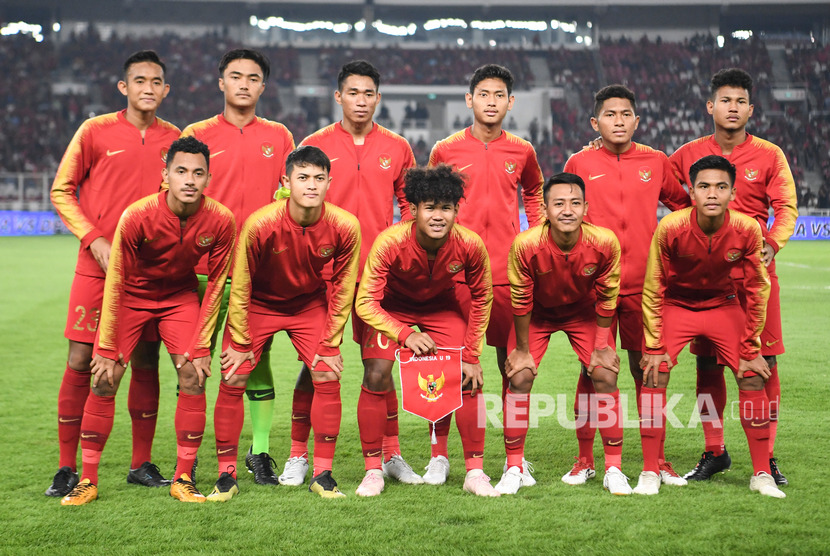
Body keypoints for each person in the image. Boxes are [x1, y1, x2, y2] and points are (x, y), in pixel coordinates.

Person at [59, 137, 236, 505]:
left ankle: (183, 477)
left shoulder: (221, 220)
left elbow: (218, 284)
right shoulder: (137, 215)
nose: (189, 180)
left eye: (198, 173)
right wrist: (106, 345)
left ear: (208, 179)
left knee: (193, 373)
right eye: (181, 171)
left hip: (179, 298)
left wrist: (202, 345)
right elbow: (117, 281)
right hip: (132, 297)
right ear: (166, 174)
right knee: (105, 377)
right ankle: (87, 480)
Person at [281, 60, 420, 487]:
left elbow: (411, 207)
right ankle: (298, 455)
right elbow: (295, 205)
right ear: (338, 96)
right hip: (326, 279)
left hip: (380, 280)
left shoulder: (397, 147)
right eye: (352, 93)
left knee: (380, 367)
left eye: (368, 94)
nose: (360, 101)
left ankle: (390, 455)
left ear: (378, 98)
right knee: (316, 365)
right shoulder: (316, 144)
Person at [48, 50, 180, 497]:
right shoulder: (95, 131)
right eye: (138, 80)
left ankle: (140, 463)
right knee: (82, 361)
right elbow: (62, 190)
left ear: (165, 90)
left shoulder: (174, 139)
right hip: (97, 269)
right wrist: (93, 237)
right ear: (123, 87)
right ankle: (67, 468)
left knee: (145, 361)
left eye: (156, 81)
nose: (148, 88)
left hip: (151, 276)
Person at [669, 68, 797, 486]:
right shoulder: (688, 154)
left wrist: (772, 243)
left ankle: (768, 454)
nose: (733, 108)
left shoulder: (770, 154)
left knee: (764, 364)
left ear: (750, 109)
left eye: (740, 101)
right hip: (706, 279)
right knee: (708, 364)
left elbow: (787, 208)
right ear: (711, 106)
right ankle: (715, 450)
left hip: (755, 277)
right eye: (725, 100)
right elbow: (658, 184)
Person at [213, 146, 359, 500]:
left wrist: (331, 342)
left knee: (326, 371)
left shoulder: (345, 225)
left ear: (329, 183)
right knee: (234, 374)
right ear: (287, 182)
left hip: (307, 305)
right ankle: (226, 475)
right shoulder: (261, 223)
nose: (311, 185)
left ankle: (323, 474)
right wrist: (242, 341)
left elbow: (342, 287)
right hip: (259, 304)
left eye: (319, 178)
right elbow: (242, 285)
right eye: (303, 177)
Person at [564, 84, 691, 487]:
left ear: (637, 120)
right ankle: (586, 459)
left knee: (647, 371)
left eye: (625, 115)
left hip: (644, 286)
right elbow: (563, 214)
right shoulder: (579, 161)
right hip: (593, 287)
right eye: (610, 115)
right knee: (594, 371)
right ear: (595, 122)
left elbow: (682, 207)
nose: (618, 121)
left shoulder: (655, 160)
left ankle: (659, 459)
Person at [635, 154, 784, 498]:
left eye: (721, 186)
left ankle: (762, 473)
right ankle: (649, 471)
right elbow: (654, 285)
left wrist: (750, 346)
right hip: (677, 305)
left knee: (750, 373)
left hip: (723, 305)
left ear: (733, 193)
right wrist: (655, 345)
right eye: (704, 186)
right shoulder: (671, 226)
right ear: (691, 192)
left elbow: (758, 288)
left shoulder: (748, 229)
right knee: (654, 372)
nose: (712, 193)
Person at [179, 48, 295, 485]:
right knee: (193, 364)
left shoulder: (280, 136)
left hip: (257, 272)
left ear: (262, 87)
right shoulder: (197, 133)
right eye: (235, 76)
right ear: (220, 82)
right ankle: (186, 457)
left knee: (254, 362)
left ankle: (259, 451)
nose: (243, 84)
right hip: (204, 271)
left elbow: (289, 198)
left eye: (252, 78)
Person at [428, 64, 544, 485]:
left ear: (510, 102)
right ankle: (439, 456)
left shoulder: (523, 151)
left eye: (499, 95)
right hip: (457, 276)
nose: (491, 101)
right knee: (449, 368)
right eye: (484, 94)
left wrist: (534, 236)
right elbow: (431, 203)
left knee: (514, 367)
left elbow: (535, 193)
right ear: (469, 100)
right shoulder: (445, 149)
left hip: (509, 275)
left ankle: (515, 458)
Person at [354, 165, 498, 497]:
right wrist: (405, 334)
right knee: (376, 372)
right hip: (392, 308)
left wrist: (472, 357)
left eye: (445, 208)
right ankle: (374, 470)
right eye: (430, 207)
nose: (438, 215)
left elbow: (482, 298)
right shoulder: (390, 242)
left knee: (468, 376)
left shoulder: (470, 245)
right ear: (414, 209)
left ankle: (473, 473)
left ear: (456, 211)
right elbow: (365, 302)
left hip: (441, 308)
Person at [499, 172, 630, 495]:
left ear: (586, 207)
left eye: (574, 203)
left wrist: (601, 345)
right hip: (538, 314)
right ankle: (514, 466)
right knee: (520, 376)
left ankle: (613, 468)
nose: (567, 210)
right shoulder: (526, 245)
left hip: (584, 313)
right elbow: (520, 298)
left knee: (605, 374)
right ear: (544, 209)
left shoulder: (603, 242)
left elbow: (608, 294)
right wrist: (523, 350)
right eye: (558, 204)